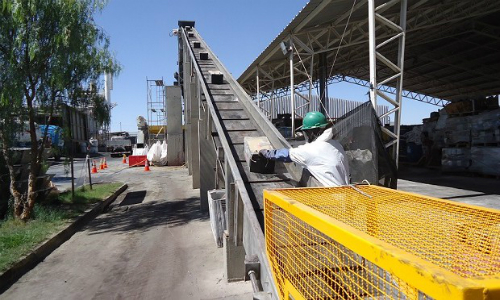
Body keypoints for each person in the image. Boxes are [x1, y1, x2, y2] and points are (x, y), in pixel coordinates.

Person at [259, 111, 350, 187]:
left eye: (306, 132)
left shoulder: (312, 149)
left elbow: (286, 155)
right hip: (344, 194)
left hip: (330, 198)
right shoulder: (336, 144)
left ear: (311, 132)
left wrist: (267, 153)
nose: (306, 135)